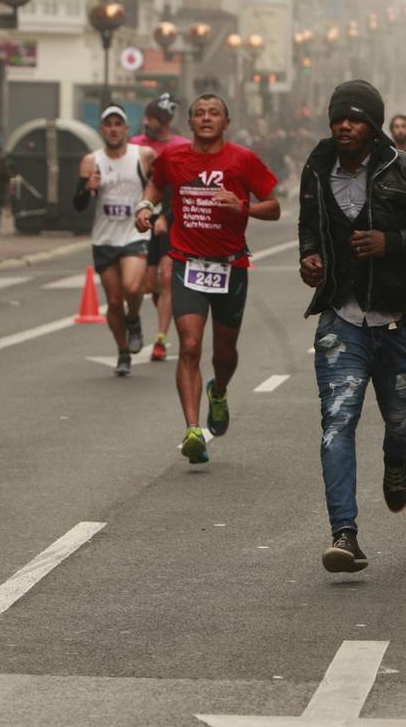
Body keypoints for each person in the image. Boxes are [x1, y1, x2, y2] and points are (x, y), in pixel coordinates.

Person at [297, 79, 406, 573]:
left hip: (396, 322)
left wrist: (392, 242)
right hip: (341, 320)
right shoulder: (316, 170)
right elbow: (309, 227)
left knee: (399, 421)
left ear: (373, 124)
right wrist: (309, 258)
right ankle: (344, 534)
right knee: (338, 423)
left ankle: (397, 461)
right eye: (338, 117)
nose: (344, 126)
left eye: (354, 118)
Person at [135, 94, 279, 463]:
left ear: (226, 122)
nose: (206, 118)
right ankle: (192, 429)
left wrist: (242, 206)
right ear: (190, 123)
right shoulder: (175, 158)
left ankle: (220, 391)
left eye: (214, 113)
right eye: (199, 113)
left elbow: (274, 206)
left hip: (231, 267)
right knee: (190, 345)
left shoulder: (243, 159)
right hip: (187, 264)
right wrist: (145, 207)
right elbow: (155, 184)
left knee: (225, 353)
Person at [75, 106, 155, 375]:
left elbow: (159, 189)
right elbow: (77, 205)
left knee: (133, 288)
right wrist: (87, 189)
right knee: (112, 300)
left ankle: (133, 319)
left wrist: (160, 214)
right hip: (105, 237)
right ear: (102, 129)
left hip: (135, 233)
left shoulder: (143, 156)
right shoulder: (91, 161)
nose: (112, 128)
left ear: (126, 129)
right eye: (108, 124)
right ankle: (123, 351)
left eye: (117, 123)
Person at [131, 94, 190, 362]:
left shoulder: (181, 146)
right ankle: (150, 317)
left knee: (167, 278)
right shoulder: (135, 144)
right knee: (146, 284)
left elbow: (181, 188)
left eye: (151, 119)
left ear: (164, 122)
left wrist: (167, 215)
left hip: (170, 218)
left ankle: (161, 340)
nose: (146, 123)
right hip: (139, 219)